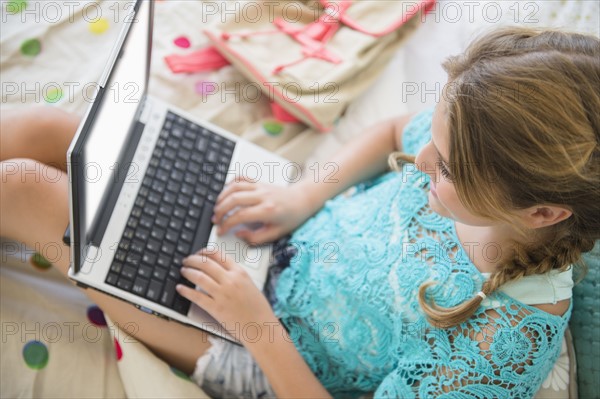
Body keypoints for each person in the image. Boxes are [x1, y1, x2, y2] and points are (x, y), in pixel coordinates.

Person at [1, 26, 599, 398]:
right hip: (275, 233)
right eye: (434, 142)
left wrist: (255, 322)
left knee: (23, 188)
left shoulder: (502, 342)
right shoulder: (474, 144)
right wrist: (302, 196)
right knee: (49, 128)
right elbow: (395, 127)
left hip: (257, 348)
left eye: (445, 168)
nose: (418, 161)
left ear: (542, 212)